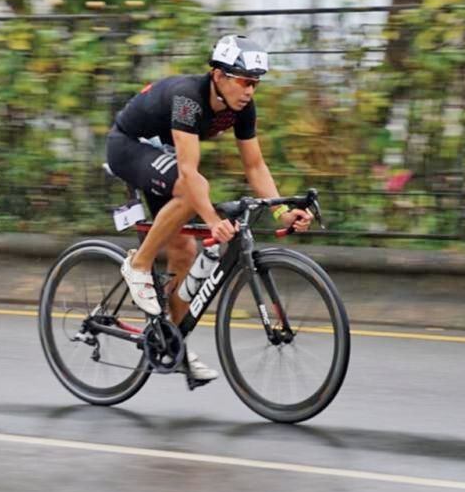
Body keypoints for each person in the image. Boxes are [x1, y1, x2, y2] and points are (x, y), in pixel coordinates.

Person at [106, 34, 313, 385]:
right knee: (193, 190)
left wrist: (281, 211)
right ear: (219, 75)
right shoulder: (188, 99)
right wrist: (214, 222)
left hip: (163, 157)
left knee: (184, 250)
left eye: (255, 83)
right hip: (129, 146)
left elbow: (255, 167)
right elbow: (188, 175)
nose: (250, 90)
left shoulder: (243, 107)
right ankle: (138, 264)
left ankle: (170, 343)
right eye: (245, 81)